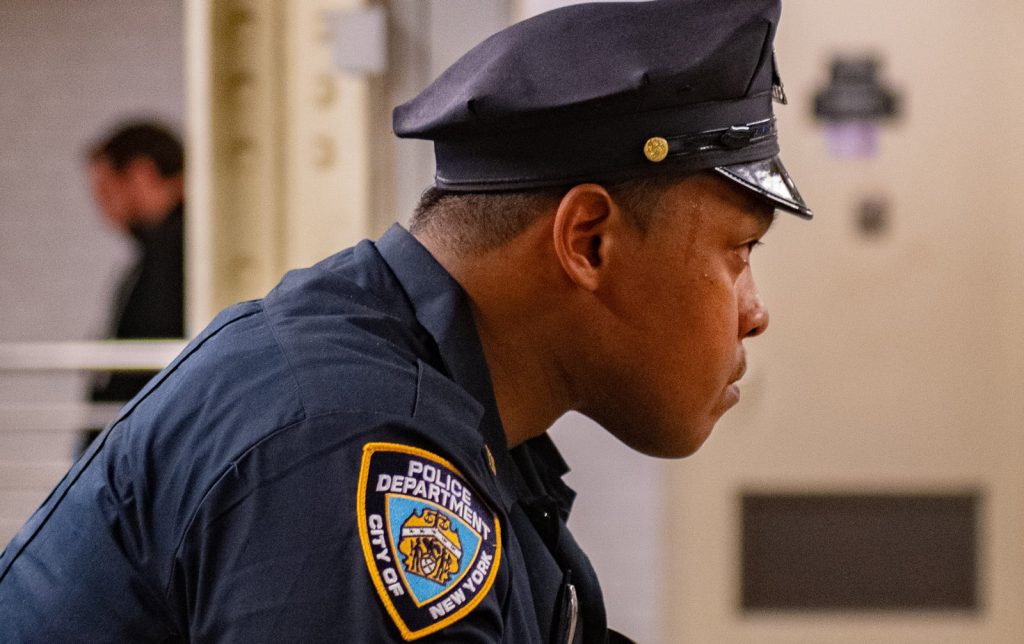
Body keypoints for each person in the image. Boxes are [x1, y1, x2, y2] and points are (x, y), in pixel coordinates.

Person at [0, 1, 811, 642]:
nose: (755, 311)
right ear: (587, 242)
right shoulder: (345, 446)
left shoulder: (459, 412)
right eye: (739, 252)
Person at [80, 121, 185, 449]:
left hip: (144, 440)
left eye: (106, 193)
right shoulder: (170, 247)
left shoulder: (173, 251)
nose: (105, 213)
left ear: (141, 175)